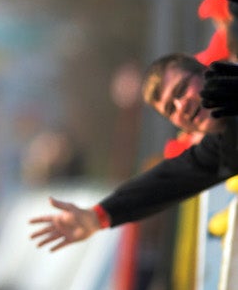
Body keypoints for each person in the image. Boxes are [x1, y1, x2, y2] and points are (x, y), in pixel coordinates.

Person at [29, 53, 228, 250]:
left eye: (182, 89)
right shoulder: (218, 147)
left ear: (207, 72)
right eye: (170, 108)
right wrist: (95, 218)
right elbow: (165, 183)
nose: (182, 105)